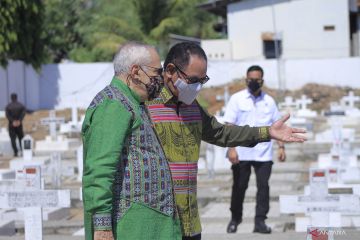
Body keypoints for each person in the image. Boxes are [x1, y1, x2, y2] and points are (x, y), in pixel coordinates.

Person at [145, 42, 306, 240]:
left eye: (202, 81)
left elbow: (222, 133)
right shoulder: (145, 107)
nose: (197, 87)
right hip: (159, 222)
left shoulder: (192, 107)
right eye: (193, 80)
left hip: (190, 223)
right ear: (170, 71)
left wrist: (267, 132)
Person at [82, 42, 181, 240]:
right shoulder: (113, 104)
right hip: (130, 224)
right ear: (135, 71)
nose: (159, 78)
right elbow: (100, 167)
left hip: (148, 222)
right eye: (156, 71)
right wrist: (102, 226)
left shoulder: (133, 103)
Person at [224, 65, 285, 234]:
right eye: (250, 79)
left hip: (263, 153)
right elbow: (229, 125)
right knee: (239, 187)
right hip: (241, 153)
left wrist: (281, 147)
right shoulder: (237, 99)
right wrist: (231, 149)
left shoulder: (269, 101)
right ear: (246, 80)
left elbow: (277, 126)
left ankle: (260, 222)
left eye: (256, 80)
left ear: (262, 81)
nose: (253, 82)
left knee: (263, 187)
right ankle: (235, 219)